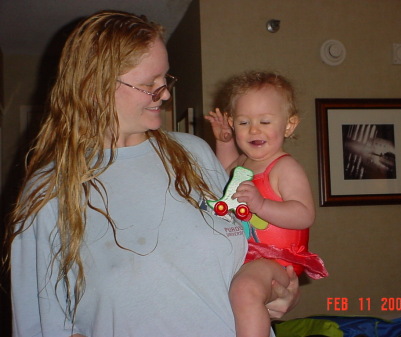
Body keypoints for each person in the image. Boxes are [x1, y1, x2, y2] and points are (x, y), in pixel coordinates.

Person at [3, 12, 300, 337]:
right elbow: (40, 325)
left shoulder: (194, 153)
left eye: (165, 80)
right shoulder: (50, 190)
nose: (166, 94)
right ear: (95, 86)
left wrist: (278, 290)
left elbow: (242, 254)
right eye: (149, 85)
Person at [205, 71, 328, 337]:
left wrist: (261, 205)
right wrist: (223, 142)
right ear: (231, 123)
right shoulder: (242, 163)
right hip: (247, 255)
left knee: (244, 290)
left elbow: (304, 215)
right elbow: (224, 172)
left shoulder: (284, 167)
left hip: (278, 258)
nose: (254, 129)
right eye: (243, 122)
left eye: (264, 121)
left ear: (288, 125)